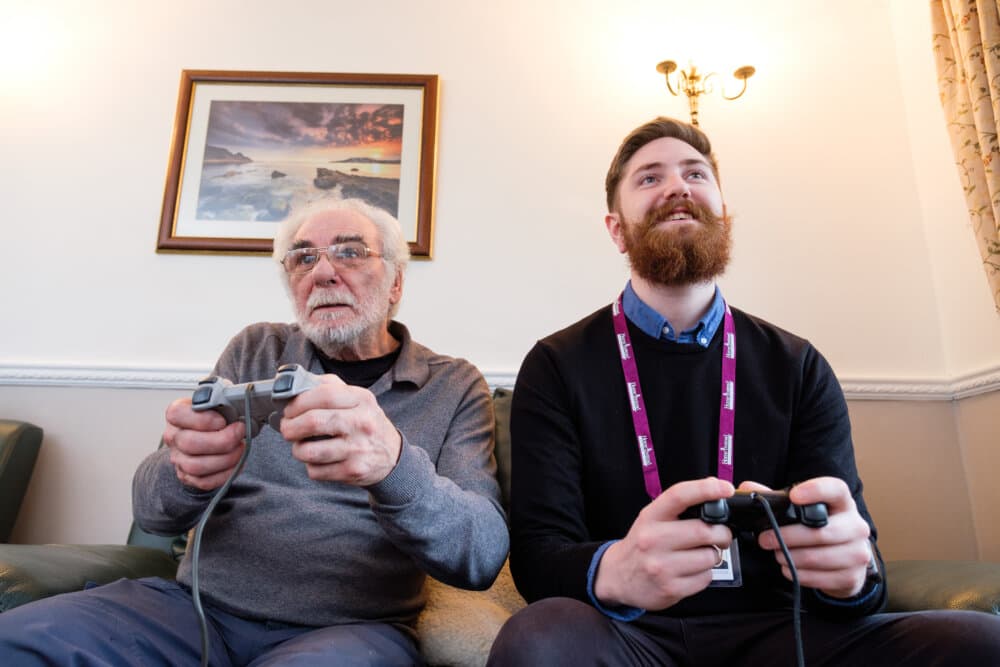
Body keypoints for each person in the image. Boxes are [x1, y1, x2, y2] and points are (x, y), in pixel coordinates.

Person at [486, 117, 1000, 666]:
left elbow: (858, 574)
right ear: (616, 230)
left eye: (695, 173)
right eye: (649, 178)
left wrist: (854, 577)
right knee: (537, 638)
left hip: (784, 632)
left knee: (979, 643)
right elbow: (540, 558)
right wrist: (619, 568)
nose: (678, 186)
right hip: (631, 636)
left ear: (722, 213)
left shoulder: (798, 364)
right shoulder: (555, 365)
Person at [0, 198, 509, 666]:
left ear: (395, 282)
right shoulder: (255, 349)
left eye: (350, 253)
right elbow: (151, 512)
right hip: (195, 613)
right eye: (303, 258)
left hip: (351, 631)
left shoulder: (452, 384)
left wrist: (393, 466)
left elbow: (481, 555)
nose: (324, 272)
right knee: (17, 640)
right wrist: (184, 471)